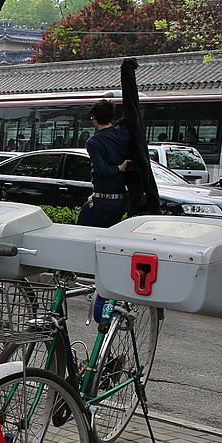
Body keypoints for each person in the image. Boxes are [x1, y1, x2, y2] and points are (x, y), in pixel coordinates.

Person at [83, 100, 132, 324]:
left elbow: (102, 171)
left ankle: (103, 290)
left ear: (94, 117)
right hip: (120, 199)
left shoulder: (94, 142)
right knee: (110, 244)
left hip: (102, 200)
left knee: (82, 238)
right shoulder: (123, 133)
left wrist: (117, 168)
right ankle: (106, 288)